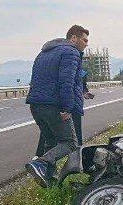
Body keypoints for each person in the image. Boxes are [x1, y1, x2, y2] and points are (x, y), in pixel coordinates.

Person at [24, 25, 88, 187]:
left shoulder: (45, 52)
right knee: (69, 142)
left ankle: (50, 181)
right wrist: (67, 107)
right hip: (54, 104)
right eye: (84, 39)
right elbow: (66, 82)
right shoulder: (71, 52)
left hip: (36, 103)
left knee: (50, 142)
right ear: (73, 38)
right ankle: (41, 163)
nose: (86, 44)